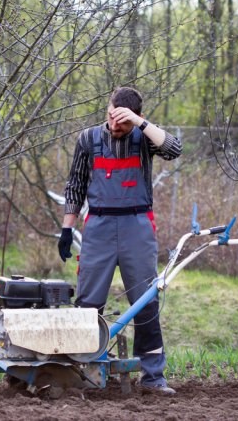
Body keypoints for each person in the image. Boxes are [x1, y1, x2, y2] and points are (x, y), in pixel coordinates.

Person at [58, 87, 182, 394]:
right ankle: (87, 372)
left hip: (137, 226)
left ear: (137, 118)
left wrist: (140, 124)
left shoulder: (144, 138)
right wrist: (66, 229)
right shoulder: (88, 139)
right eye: (111, 117)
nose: (115, 126)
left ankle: (153, 378)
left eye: (122, 122)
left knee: (145, 302)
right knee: (88, 303)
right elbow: (75, 185)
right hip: (98, 225)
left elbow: (174, 149)